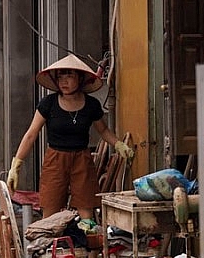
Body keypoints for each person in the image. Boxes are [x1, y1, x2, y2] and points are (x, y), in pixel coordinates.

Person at [7, 54, 134, 227]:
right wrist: (16, 165)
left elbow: (103, 130)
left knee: (86, 214)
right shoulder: (48, 103)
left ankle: (88, 252)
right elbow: (31, 134)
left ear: (80, 79)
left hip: (82, 160)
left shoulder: (91, 105)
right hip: (55, 160)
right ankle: (48, 251)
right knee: (49, 211)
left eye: (69, 76)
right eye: (60, 76)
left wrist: (119, 145)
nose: (64, 81)